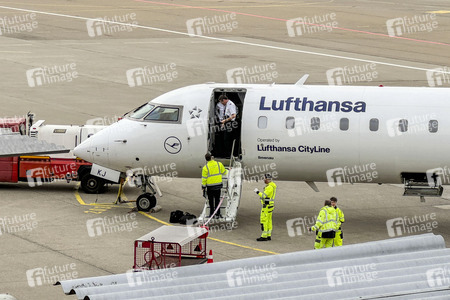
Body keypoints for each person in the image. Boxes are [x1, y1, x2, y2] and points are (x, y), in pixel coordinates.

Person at [202, 153, 228, 218]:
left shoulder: (205, 168)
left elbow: (204, 179)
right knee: (217, 200)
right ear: (211, 157)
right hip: (218, 186)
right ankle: (218, 214)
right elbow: (224, 172)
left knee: (211, 202)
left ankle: (211, 214)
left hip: (210, 187)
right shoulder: (219, 164)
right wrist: (228, 170)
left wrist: (203, 187)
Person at [254, 174, 277, 241]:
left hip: (266, 206)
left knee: (264, 220)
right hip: (270, 205)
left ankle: (264, 236)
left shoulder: (269, 187)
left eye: (264, 178)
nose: (264, 180)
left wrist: (257, 192)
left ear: (268, 179)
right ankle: (268, 235)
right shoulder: (272, 185)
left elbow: (264, 196)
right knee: (269, 220)